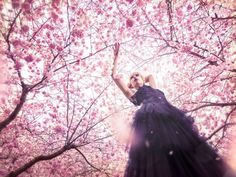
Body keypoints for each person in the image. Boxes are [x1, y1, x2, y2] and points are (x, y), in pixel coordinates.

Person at [111, 43, 235, 177]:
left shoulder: (153, 87)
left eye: (137, 76)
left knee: (182, 143)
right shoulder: (134, 96)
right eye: (132, 78)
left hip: (168, 114)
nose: (135, 78)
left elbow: (149, 75)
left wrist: (139, 77)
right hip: (149, 117)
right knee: (155, 148)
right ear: (131, 85)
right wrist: (116, 60)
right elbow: (115, 77)